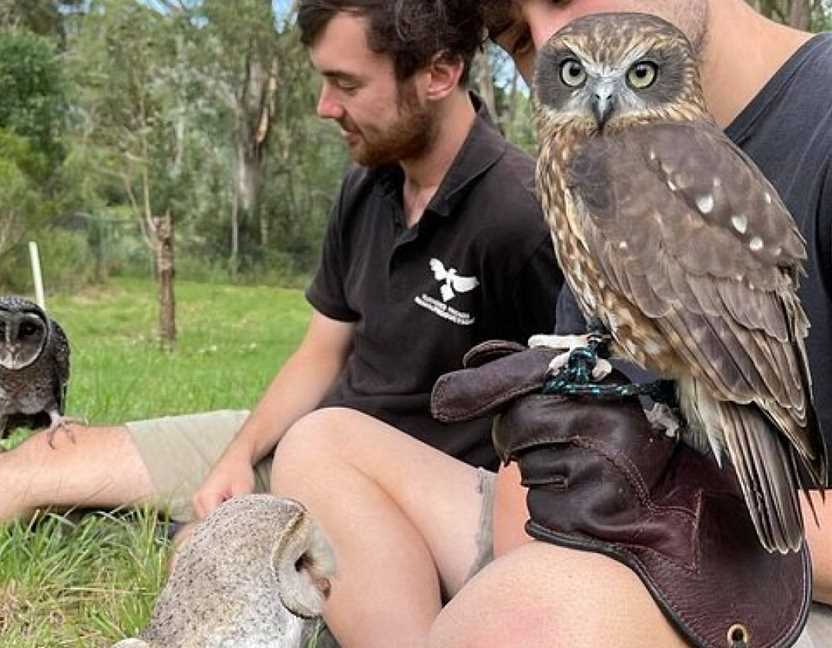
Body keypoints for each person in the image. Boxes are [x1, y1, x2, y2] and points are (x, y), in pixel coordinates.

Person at [270, 1, 832, 646]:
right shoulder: (581, 156)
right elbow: (536, 479)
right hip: (605, 524)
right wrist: (556, 469)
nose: (550, 37)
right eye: (518, 40)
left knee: (531, 611)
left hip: (764, 560)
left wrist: (640, 507)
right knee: (321, 444)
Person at [0, 0, 561, 590]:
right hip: (304, 434)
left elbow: (548, 428)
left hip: (386, 493)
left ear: (438, 73)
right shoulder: (368, 183)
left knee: (201, 559)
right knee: (47, 462)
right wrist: (240, 451)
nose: (324, 107)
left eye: (345, 84)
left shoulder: (521, 217)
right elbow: (322, 352)